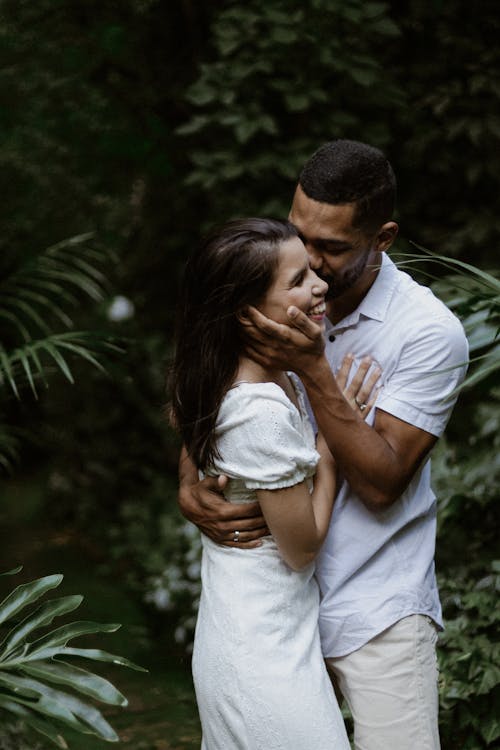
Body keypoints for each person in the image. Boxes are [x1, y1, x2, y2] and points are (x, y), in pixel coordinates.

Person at [178, 140, 469, 750]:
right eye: (299, 235)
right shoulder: (275, 282)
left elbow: (383, 484)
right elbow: (210, 379)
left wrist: (314, 370)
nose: (310, 261)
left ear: (383, 238)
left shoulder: (428, 333)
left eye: (331, 248)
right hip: (275, 611)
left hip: (376, 605)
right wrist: (190, 476)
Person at [173, 217, 374, 749]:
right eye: (297, 281)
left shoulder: (238, 373)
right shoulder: (257, 407)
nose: (319, 285)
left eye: (311, 270)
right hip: (261, 652)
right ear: (246, 313)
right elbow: (301, 548)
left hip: (260, 631)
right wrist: (330, 445)